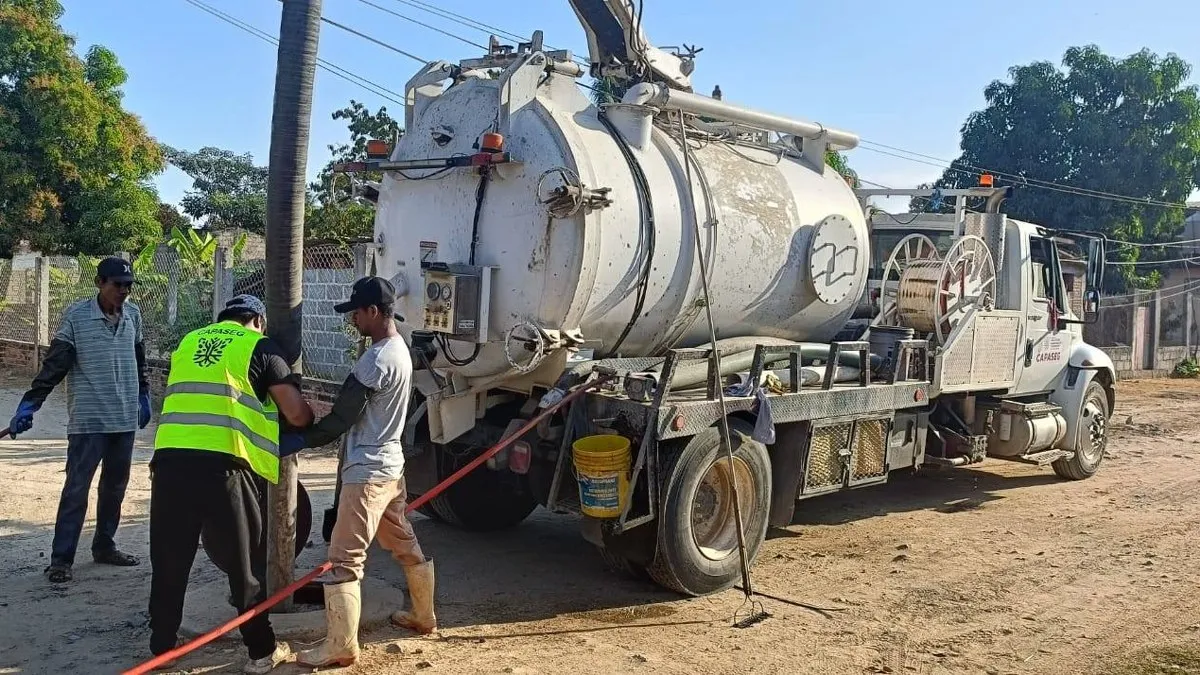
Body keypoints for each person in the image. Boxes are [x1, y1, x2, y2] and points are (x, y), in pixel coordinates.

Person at [147, 295, 314, 674]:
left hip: (169, 465)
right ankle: (261, 652)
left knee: (170, 562)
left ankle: (161, 646)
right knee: (245, 568)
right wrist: (305, 415)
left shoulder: (188, 343)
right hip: (222, 470)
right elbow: (295, 413)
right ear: (257, 319)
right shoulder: (259, 347)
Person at [292, 276, 435, 669]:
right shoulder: (400, 350)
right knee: (403, 540)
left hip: (367, 473)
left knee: (344, 559)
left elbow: (342, 417)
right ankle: (423, 615)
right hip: (391, 468)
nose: (352, 319)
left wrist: (300, 439)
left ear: (373, 311)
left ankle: (340, 645)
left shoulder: (375, 360)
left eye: (356, 312)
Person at [9, 256, 152, 584]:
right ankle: (61, 560)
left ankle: (104, 545)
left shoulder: (133, 315)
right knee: (76, 489)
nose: (124, 291)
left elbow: (139, 357)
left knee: (115, 488)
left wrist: (143, 395)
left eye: (128, 285)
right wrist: (29, 405)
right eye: (118, 284)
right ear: (100, 283)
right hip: (89, 421)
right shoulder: (77, 316)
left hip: (124, 420)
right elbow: (54, 366)